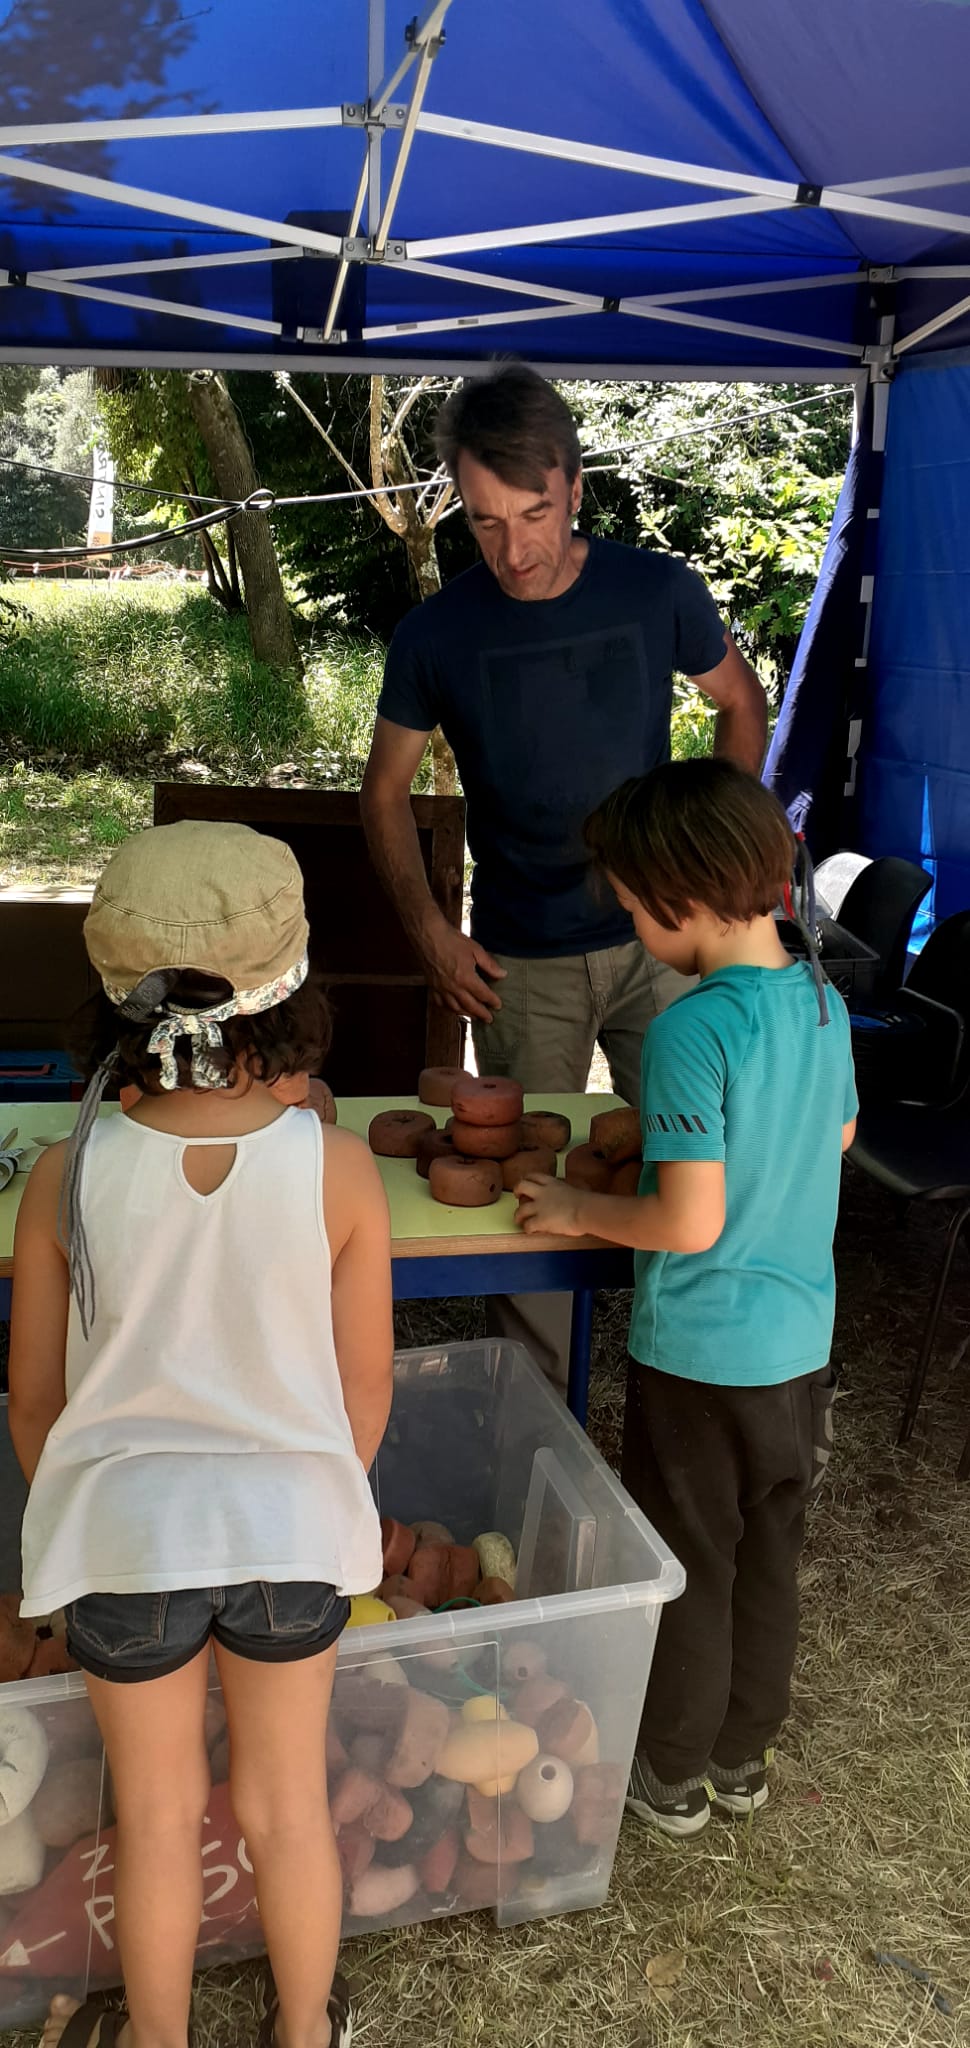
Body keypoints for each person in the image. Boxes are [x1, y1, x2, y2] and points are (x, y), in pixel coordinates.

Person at [9, 821, 394, 2048]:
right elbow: (364, 1396)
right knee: (287, 1808)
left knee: (158, 1816)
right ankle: (303, 2029)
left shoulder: (60, 1173)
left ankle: (155, 2037)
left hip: (124, 1540)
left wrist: (95, 1512)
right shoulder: (339, 1169)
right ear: (291, 989)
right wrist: (306, 1505)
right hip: (290, 1529)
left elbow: (33, 1405)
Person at [360, 362, 767, 1387]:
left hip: (661, 943)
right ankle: (529, 1398)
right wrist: (429, 932)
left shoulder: (656, 590)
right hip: (520, 954)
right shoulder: (435, 633)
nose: (514, 550)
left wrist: (710, 870)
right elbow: (384, 790)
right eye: (485, 522)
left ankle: (696, 1373)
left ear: (575, 487)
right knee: (521, 1186)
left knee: (700, 1157)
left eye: (534, 514)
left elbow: (738, 702)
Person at [514, 760, 858, 1837]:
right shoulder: (822, 999)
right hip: (799, 1348)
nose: (629, 924)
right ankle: (742, 1759)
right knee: (766, 1558)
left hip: (703, 1356)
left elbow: (687, 1222)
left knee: (692, 1564)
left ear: (682, 899)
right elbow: (838, 1132)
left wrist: (578, 1204)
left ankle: (669, 1772)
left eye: (630, 905)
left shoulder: (690, 1030)